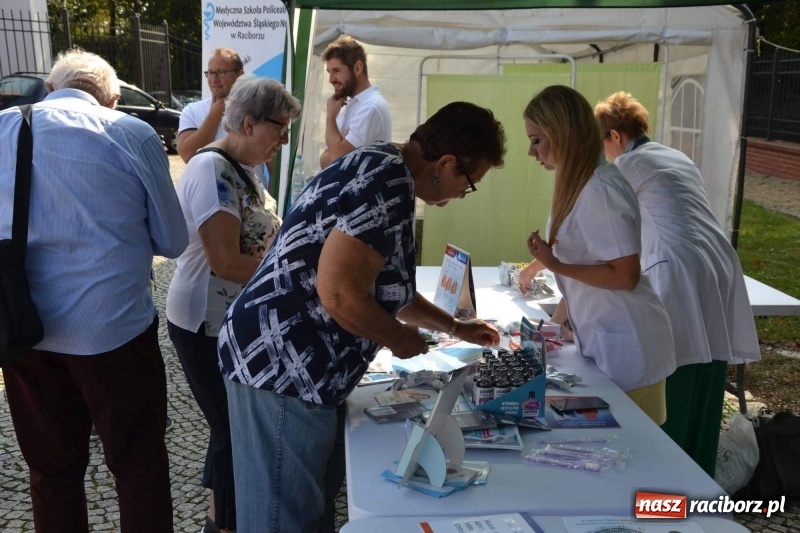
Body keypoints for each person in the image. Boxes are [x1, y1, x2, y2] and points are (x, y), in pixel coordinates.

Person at [217, 101, 505, 532]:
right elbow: (339, 292)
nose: (466, 192)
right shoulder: (387, 181)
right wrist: (398, 339)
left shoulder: (386, 167)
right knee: (281, 517)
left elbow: (390, 292)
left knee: (301, 507)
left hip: (287, 360)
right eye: (472, 181)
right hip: (282, 364)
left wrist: (454, 327)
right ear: (445, 163)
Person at [0, 48, 188, 532]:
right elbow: (172, 240)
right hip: (112, 331)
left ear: (49, 85)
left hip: (21, 329)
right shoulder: (129, 132)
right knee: (138, 463)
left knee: (51, 471)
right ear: (113, 96)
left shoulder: (3, 128)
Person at [594, 91, 761, 476]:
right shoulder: (675, 156)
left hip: (679, 266)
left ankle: (672, 481)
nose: (604, 153)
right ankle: (701, 472)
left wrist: (541, 264)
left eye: (603, 143)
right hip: (718, 262)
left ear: (616, 137)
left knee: (678, 365)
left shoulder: (629, 165)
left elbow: (598, 226)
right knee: (709, 363)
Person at [166, 75, 300, 533]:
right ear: (247, 122)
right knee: (230, 429)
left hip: (229, 320)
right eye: (278, 128)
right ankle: (223, 525)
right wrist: (293, 277)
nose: (284, 140)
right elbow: (225, 261)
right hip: (202, 319)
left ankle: (219, 520)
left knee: (233, 428)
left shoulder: (248, 169)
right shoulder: (211, 169)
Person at [520, 85, 676, 424]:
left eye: (536, 140)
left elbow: (624, 275)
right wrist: (552, 325)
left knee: (636, 453)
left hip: (630, 346)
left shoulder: (600, 189)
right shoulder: (579, 182)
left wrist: (554, 264)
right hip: (604, 340)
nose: (532, 153)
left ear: (561, 134)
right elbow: (583, 272)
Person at [319, 35, 392, 169]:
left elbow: (337, 161)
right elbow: (324, 162)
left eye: (336, 71)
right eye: (329, 72)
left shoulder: (371, 107)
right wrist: (337, 145)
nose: (331, 79)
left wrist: (330, 119)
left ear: (357, 68)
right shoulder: (351, 105)